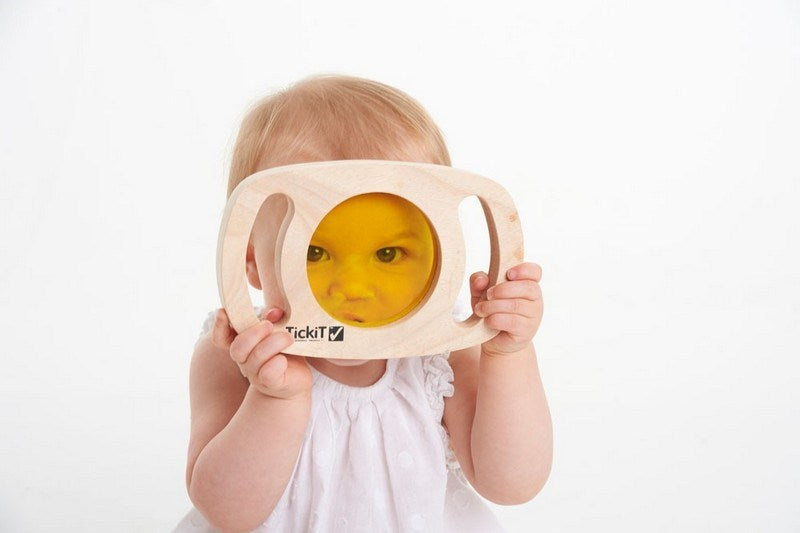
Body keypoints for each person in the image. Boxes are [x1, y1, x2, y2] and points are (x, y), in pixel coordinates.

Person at [174, 74, 552, 532]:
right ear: (250, 262)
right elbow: (226, 512)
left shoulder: (444, 357)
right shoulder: (236, 352)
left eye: (387, 254)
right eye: (315, 253)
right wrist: (275, 398)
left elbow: (512, 484)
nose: (353, 287)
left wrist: (508, 355)